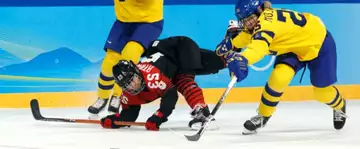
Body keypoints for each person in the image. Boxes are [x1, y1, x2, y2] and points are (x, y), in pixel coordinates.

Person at [216, 0, 347, 134]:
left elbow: (258, 48)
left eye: (250, 18)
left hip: (318, 43)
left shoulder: (266, 25)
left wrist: (243, 59)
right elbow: (247, 36)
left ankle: (340, 105)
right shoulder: (258, 20)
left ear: (260, 10)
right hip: (293, 48)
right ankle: (263, 116)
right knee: (279, 77)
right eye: (244, 20)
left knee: (322, 94)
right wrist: (231, 44)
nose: (248, 23)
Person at [100, 36, 227, 130]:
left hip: (179, 53)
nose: (133, 85)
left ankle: (203, 112)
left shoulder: (151, 76)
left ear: (137, 72)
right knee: (220, 61)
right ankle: (231, 58)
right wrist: (115, 121)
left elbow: (170, 95)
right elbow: (129, 115)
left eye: (133, 79)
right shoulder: (127, 95)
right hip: (170, 64)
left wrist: (159, 116)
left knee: (184, 82)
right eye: (127, 85)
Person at [87, 0, 164, 118]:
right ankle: (102, 97)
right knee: (110, 61)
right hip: (123, 22)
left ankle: (118, 96)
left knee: (129, 56)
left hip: (149, 22)